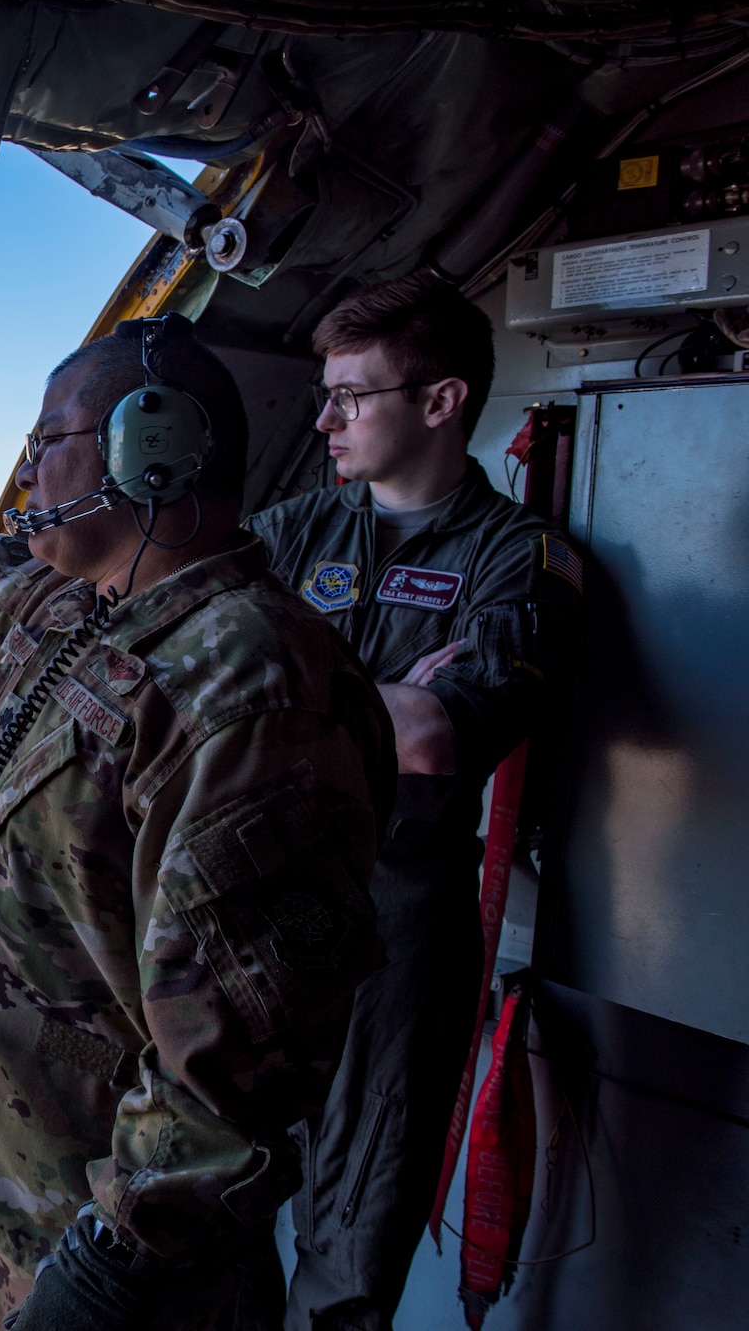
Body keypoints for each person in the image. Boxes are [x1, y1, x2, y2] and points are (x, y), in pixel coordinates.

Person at [0, 316, 397, 1331]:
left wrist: (106, 1275)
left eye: (46, 440)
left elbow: (235, 1059)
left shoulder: (248, 686)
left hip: (112, 1265)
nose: (24, 477)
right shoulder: (77, 611)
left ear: (150, 446)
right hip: (2, 1200)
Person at [247, 272, 581, 1331]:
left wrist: (273, 690)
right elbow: (175, 659)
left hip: (391, 943)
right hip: (247, 915)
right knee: (201, 1212)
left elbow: (439, 736)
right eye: (324, 394)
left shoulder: (519, 559)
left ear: (437, 402)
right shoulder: (297, 529)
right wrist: (378, 696)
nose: (324, 418)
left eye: (351, 395)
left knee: (347, 1250)